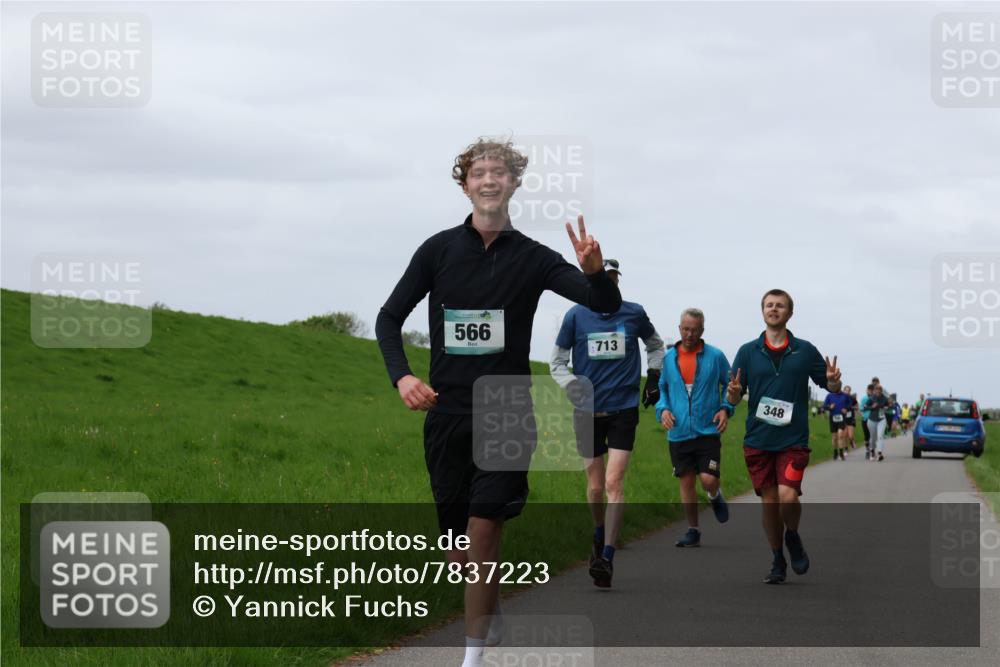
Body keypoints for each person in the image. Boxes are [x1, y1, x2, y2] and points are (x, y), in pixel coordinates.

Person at [375, 138, 621, 667]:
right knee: (459, 551)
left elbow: (602, 305)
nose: (489, 179)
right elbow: (388, 318)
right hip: (446, 412)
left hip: (507, 409)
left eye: (500, 172)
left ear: (514, 183)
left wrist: (596, 271)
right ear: (465, 184)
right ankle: (487, 611)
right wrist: (402, 378)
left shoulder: (534, 258)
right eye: (478, 172)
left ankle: (472, 658)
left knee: (484, 531)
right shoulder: (437, 251)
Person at [550, 259, 665, 588]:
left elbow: (655, 344)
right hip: (587, 411)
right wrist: (572, 386)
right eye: (602, 279)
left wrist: (653, 376)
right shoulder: (575, 316)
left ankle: (607, 558)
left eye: (612, 279)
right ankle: (598, 535)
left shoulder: (634, 312)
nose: (607, 285)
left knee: (614, 483)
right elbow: (557, 361)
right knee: (596, 486)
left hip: (623, 408)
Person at [727, 289, 841, 584]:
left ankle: (792, 535)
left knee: (787, 496)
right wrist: (734, 395)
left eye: (780, 306)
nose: (774, 309)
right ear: (762, 311)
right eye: (769, 305)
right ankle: (777, 559)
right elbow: (735, 394)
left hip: (793, 439)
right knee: (769, 503)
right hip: (758, 439)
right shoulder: (747, 352)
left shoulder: (804, 350)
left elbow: (830, 387)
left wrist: (832, 381)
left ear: (790, 313)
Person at [654, 308, 734, 548]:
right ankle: (693, 530)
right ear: (679, 329)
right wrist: (663, 410)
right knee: (686, 482)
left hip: (708, 430)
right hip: (678, 432)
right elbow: (662, 389)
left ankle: (714, 495)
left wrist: (726, 408)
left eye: (695, 330)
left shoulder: (716, 356)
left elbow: (732, 386)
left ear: (702, 331)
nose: (689, 334)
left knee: (708, 479)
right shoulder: (668, 359)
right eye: (686, 329)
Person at [823, 387, 852, 461]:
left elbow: (850, 404)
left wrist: (846, 409)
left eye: (838, 386)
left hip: (842, 417)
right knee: (834, 437)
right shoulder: (829, 396)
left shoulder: (845, 395)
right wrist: (830, 407)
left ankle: (841, 453)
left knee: (840, 434)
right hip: (833, 418)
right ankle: (835, 452)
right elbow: (824, 406)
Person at [865, 384, 890, 462]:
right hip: (872, 420)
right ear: (874, 390)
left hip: (881, 419)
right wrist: (871, 407)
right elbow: (865, 407)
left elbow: (889, 405)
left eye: (879, 389)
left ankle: (880, 453)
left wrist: (887, 407)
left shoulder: (885, 398)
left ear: (881, 390)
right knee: (873, 438)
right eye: (876, 389)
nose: (878, 391)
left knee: (880, 436)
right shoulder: (871, 398)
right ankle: (872, 451)